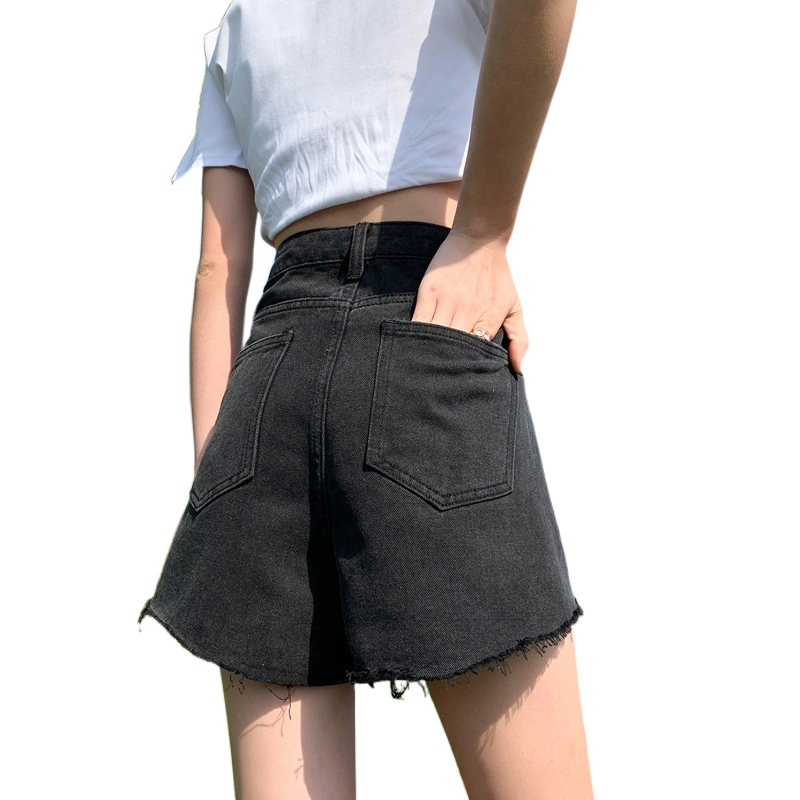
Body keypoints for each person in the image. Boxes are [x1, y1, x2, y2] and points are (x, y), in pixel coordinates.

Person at [138, 0, 594, 797]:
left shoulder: (238, 27)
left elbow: (218, 271)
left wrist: (218, 487)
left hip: (268, 378)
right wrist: (482, 233)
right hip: (423, 324)